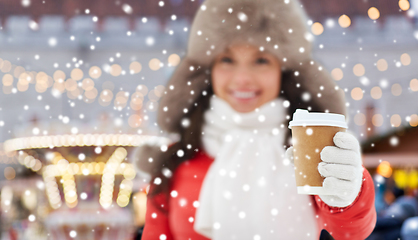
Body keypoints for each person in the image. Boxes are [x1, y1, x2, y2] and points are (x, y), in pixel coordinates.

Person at [136, 0, 376, 239]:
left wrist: (349, 191)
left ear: (283, 72)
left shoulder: (310, 151)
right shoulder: (175, 161)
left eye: (261, 60)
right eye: (227, 60)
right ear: (208, 70)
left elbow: (350, 232)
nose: (242, 78)